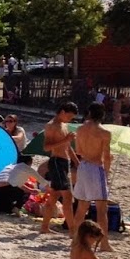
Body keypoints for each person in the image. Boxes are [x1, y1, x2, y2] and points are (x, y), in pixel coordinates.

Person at [71, 103, 114, 246]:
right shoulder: (104, 133)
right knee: (102, 209)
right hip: (96, 168)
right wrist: (106, 172)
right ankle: (105, 244)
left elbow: (78, 150)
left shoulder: (80, 129)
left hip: (83, 166)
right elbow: (106, 156)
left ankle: (76, 239)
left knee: (82, 207)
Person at [38, 103, 78, 235]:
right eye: (69, 116)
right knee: (67, 196)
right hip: (57, 162)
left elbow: (68, 146)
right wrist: (66, 139)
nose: (70, 119)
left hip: (64, 162)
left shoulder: (64, 125)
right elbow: (46, 147)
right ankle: (72, 231)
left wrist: (76, 162)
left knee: (54, 196)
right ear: (62, 111)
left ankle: (44, 227)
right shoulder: (51, 125)